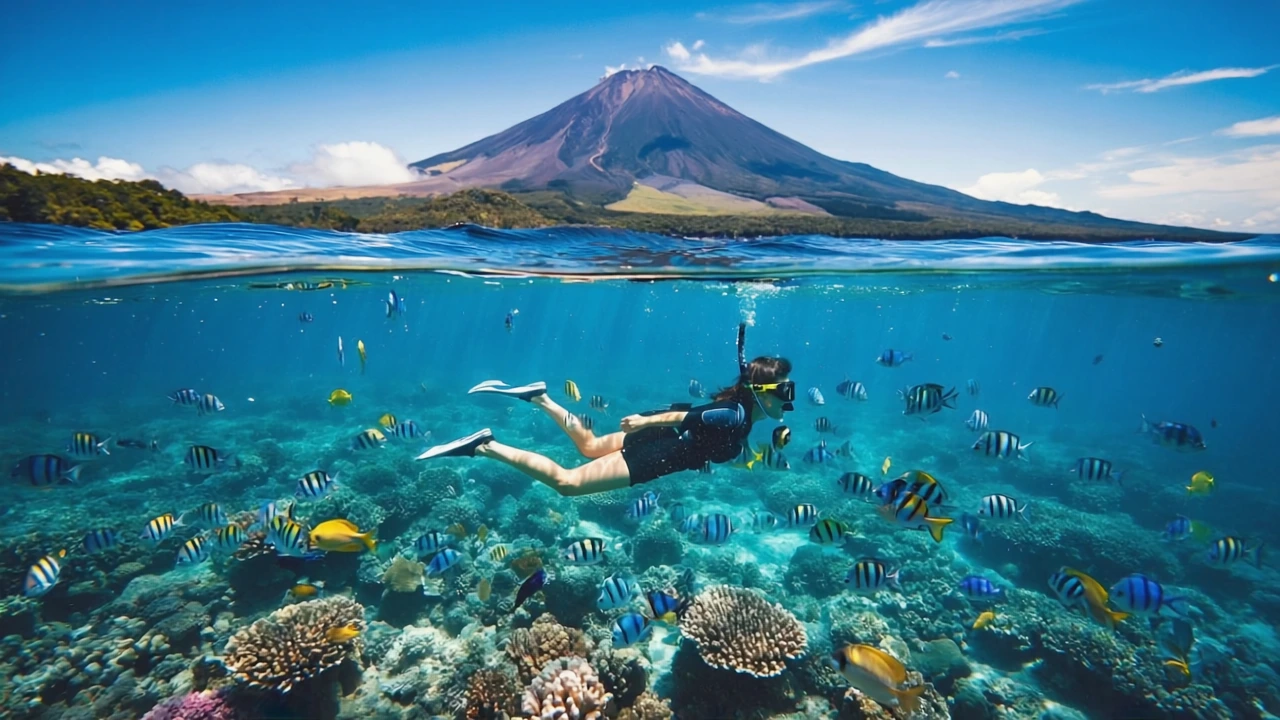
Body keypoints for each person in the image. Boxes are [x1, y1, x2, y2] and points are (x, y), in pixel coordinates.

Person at [417, 356, 794, 497]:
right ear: (760, 391)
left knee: (590, 445)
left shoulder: (742, 418)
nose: (788, 399)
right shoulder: (734, 415)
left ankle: (539, 397)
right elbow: (685, 418)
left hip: (664, 439)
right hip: (661, 449)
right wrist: (645, 421)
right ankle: (484, 445)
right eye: (784, 391)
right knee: (568, 483)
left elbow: (689, 419)